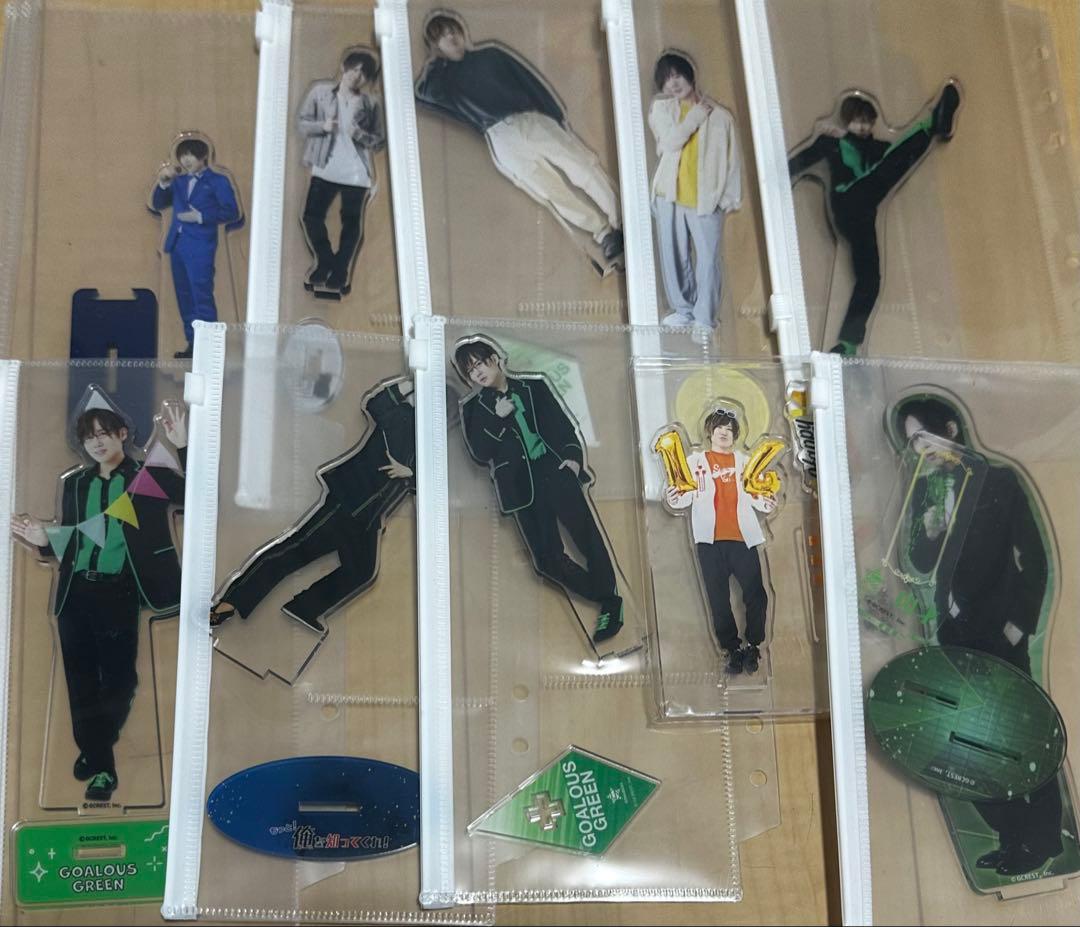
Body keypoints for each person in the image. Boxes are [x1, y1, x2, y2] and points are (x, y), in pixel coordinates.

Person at [895, 393, 1065, 877]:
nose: (920, 449)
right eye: (912, 442)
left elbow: (1034, 556)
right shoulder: (926, 488)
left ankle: (1043, 839)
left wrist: (1019, 624)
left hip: (1001, 631)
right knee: (973, 741)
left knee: (1023, 733)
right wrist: (929, 533)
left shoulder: (1000, 480)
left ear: (950, 429)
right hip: (955, 632)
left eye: (924, 436)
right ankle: (1012, 838)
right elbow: (920, 561)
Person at [12, 401, 187, 803]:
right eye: (89, 437)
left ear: (123, 434)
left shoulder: (147, 476)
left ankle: (94, 746)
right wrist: (43, 542)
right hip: (75, 592)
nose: (97, 443)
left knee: (121, 681)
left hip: (120, 591)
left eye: (104, 433)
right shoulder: (76, 483)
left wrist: (182, 445)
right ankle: (103, 768)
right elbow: (75, 538)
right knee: (81, 683)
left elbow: (201, 498)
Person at [415, 10, 624, 267]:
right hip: (499, 138)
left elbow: (528, 81)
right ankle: (603, 233)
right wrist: (435, 61)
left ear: (462, 32)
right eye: (444, 37)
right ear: (436, 46)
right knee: (550, 190)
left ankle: (621, 217)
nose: (452, 38)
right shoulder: (445, 81)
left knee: (580, 165)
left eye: (453, 31)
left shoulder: (490, 55)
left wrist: (555, 115)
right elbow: (423, 93)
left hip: (529, 118)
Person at [209, 377, 415, 632]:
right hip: (347, 502)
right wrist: (411, 381)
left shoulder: (426, 444)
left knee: (361, 571)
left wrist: (409, 473)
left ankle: (304, 607)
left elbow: (422, 483)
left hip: (370, 519)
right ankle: (231, 601)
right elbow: (375, 404)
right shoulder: (399, 415)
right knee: (294, 551)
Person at [454, 337, 623, 644]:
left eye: (480, 363)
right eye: (470, 371)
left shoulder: (534, 387)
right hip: (520, 488)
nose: (477, 373)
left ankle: (611, 605)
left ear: (495, 359)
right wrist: (496, 417)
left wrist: (572, 459)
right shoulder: (474, 409)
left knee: (587, 538)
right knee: (546, 560)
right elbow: (480, 451)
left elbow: (562, 425)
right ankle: (606, 597)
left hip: (554, 471)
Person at [788, 83, 962, 355]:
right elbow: (797, 162)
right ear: (847, 120)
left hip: (865, 216)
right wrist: (775, 180)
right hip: (847, 201)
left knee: (870, 279)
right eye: (858, 121)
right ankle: (932, 125)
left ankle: (848, 344)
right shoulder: (832, 142)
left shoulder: (878, 148)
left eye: (868, 121)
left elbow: (898, 156)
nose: (863, 127)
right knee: (884, 170)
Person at [663, 408, 775, 674]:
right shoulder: (694, 462)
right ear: (710, 432)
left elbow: (760, 497)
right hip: (709, 542)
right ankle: (732, 649)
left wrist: (768, 501)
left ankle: (754, 645)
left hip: (743, 539)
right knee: (718, 599)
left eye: (729, 429)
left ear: (736, 435)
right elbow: (681, 497)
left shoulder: (746, 462)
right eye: (719, 428)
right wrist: (671, 495)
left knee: (756, 593)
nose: (724, 432)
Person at [648, 51, 742, 331]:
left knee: (708, 260)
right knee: (673, 256)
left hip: (706, 199)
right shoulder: (662, 110)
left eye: (677, 75)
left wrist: (728, 198)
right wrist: (697, 115)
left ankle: (704, 318)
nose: (673, 84)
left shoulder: (722, 117)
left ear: (689, 74)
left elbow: (733, 160)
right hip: (669, 195)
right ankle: (683, 310)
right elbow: (671, 142)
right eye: (666, 80)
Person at [297, 48, 386, 296]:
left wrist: (360, 134)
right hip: (324, 167)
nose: (357, 76)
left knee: (351, 222)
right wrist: (322, 126)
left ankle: (341, 271)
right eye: (354, 69)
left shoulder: (371, 103)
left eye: (364, 74)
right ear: (344, 67)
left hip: (356, 173)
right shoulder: (321, 92)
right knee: (311, 217)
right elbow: (302, 124)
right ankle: (327, 262)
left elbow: (379, 141)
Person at [149, 136, 243, 359]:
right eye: (183, 156)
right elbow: (158, 204)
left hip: (201, 246)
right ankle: (193, 344)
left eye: (191, 155)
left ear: (203, 156)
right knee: (184, 296)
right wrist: (163, 183)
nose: (186, 160)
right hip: (177, 244)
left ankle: (209, 348)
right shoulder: (179, 181)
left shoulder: (218, 180)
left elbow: (232, 212)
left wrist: (201, 216)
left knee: (201, 295)